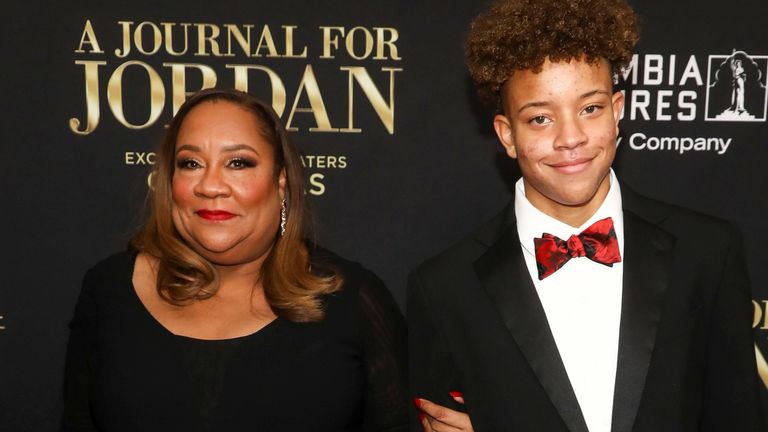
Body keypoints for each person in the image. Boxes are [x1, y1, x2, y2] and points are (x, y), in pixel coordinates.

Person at [409, 0, 764, 431]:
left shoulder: (707, 252)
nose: (570, 138)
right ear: (507, 134)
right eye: (540, 118)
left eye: (590, 108)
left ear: (617, 111)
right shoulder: (446, 287)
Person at [61, 88, 409, 432]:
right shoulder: (108, 290)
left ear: (281, 182)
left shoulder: (352, 299)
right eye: (191, 163)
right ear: (170, 181)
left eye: (238, 162)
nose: (210, 186)